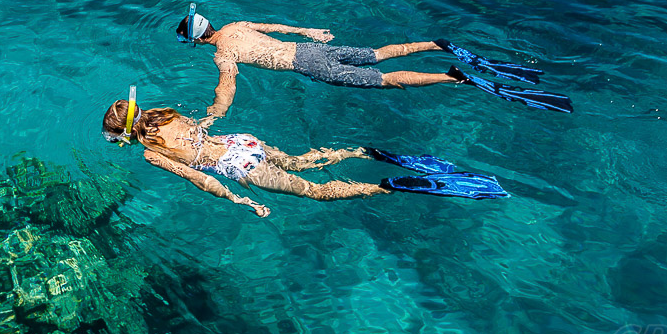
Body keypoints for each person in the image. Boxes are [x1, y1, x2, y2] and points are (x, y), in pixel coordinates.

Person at [101, 88, 507, 218]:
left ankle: (389, 185)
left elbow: (199, 177)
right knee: (297, 163)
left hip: (234, 164)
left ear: (124, 135)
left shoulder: (151, 153)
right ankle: (361, 151)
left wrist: (239, 199)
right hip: (243, 142)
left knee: (316, 192)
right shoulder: (164, 114)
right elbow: (201, 129)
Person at [173, 4, 573, 118]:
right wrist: (310, 30)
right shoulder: (239, 25)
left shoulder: (224, 53)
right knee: (381, 52)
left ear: (197, 42)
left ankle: (452, 78)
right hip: (315, 50)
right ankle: (436, 43)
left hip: (311, 66)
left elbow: (228, 85)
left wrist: (214, 113)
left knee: (386, 80)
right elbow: (275, 26)